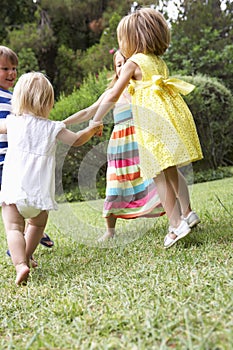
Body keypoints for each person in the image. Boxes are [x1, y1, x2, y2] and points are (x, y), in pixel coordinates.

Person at [90, 8, 203, 249]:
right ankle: (188, 212)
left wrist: (96, 119)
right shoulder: (157, 61)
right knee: (170, 169)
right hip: (169, 118)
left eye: (123, 39)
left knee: (158, 174)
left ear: (133, 39)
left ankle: (175, 224)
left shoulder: (133, 62)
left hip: (151, 124)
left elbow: (113, 93)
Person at [0, 72, 102, 285]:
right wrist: (91, 130)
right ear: (49, 102)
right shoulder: (53, 128)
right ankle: (28, 255)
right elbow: (75, 140)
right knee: (36, 226)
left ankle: (20, 264)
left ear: (18, 99)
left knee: (13, 229)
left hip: (13, 192)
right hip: (39, 195)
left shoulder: (12, 123)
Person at [63, 50, 165, 242]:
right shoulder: (111, 94)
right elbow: (87, 112)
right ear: (116, 69)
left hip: (142, 142)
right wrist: (62, 123)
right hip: (120, 146)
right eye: (119, 64)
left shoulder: (141, 88)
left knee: (156, 179)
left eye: (127, 62)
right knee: (115, 185)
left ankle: (177, 216)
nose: (123, 67)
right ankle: (110, 230)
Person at [0, 46, 54, 259]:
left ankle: (24, 238)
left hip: (13, 160)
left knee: (18, 200)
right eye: (5, 68)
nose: (12, 73)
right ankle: (24, 237)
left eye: (14, 68)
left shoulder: (15, 98)